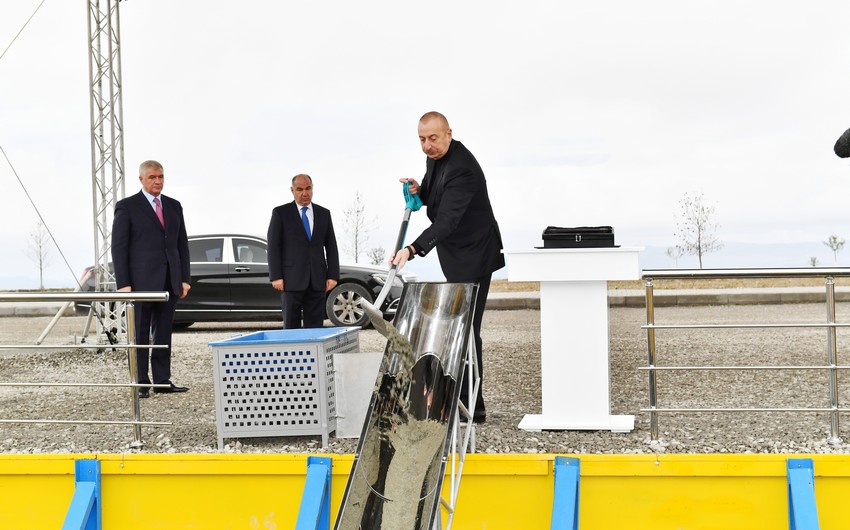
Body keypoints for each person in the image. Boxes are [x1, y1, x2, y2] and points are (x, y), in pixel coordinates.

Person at [392, 111, 505, 423]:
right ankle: (463, 400)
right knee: (460, 327)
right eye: (422, 140)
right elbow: (435, 191)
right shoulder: (437, 158)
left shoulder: (463, 169)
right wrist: (420, 190)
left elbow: (448, 220)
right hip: (456, 254)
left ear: (449, 134)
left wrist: (412, 248)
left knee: (467, 330)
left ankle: (473, 406)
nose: (427, 146)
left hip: (475, 254)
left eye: (433, 139)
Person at [112, 160, 191, 398]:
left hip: (170, 281)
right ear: (141, 179)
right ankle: (141, 383)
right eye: (152, 177)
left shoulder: (174, 206)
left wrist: (184, 278)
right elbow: (119, 247)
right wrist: (123, 284)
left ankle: (162, 380)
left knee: (164, 333)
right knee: (140, 334)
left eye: (161, 177)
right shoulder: (127, 207)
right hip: (140, 284)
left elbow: (181, 245)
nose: (157, 181)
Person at [267, 174, 340, 328]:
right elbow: (274, 246)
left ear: (312, 188)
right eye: (299, 189)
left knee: (315, 328)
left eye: (308, 188)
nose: (304, 193)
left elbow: (331, 246)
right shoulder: (280, 213)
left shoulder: (324, 214)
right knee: (291, 328)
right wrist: (276, 276)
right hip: (290, 280)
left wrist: (333, 275)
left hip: (317, 280)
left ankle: (314, 353)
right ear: (292, 190)